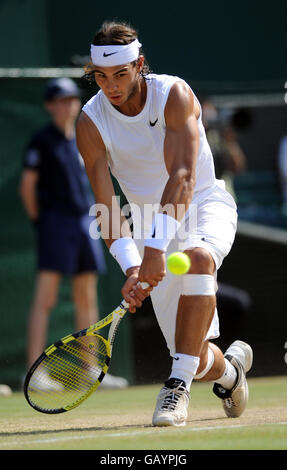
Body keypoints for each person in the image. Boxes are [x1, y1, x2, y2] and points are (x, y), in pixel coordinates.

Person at [76, 20, 253, 426]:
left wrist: (154, 251)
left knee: (197, 258)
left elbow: (184, 178)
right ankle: (230, 372)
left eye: (120, 74)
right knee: (196, 354)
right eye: (101, 77)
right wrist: (133, 265)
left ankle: (175, 388)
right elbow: (106, 204)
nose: (111, 86)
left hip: (204, 204)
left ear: (139, 65)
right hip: (144, 223)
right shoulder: (89, 122)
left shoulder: (173, 94)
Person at [19, 77, 128, 389]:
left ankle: (88, 369)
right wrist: (42, 223)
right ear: (49, 106)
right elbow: (27, 187)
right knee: (46, 298)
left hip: (85, 224)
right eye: (60, 100)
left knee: (86, 297)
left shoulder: (82, 139)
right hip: (55, 224)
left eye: (71, 99)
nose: (67, 105)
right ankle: (34, 371)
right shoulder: (42, 141)